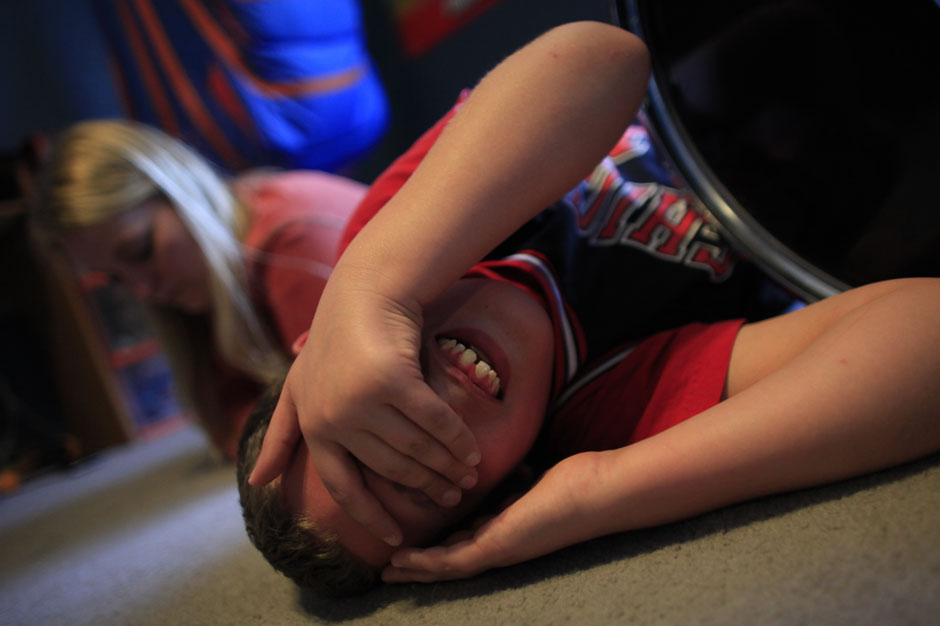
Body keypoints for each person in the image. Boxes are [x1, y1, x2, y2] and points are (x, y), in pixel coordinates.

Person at [241, 21, 940, 590]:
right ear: (502, 495)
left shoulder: (381, 241)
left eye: (363, 415)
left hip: (716, 51)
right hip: (875, 170)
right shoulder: (607, 410)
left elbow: (605, 56)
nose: (426, 411)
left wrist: (368, 288)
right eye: (423, 474)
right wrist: (602, 489)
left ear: (319, 349)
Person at [31, 119, 367, 459]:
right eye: (116, 279)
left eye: (141, 250)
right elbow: (235, 426)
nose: (142, 290)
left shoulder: (293, 238)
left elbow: (343, 417)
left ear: (179, 189)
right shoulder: (207, 286)